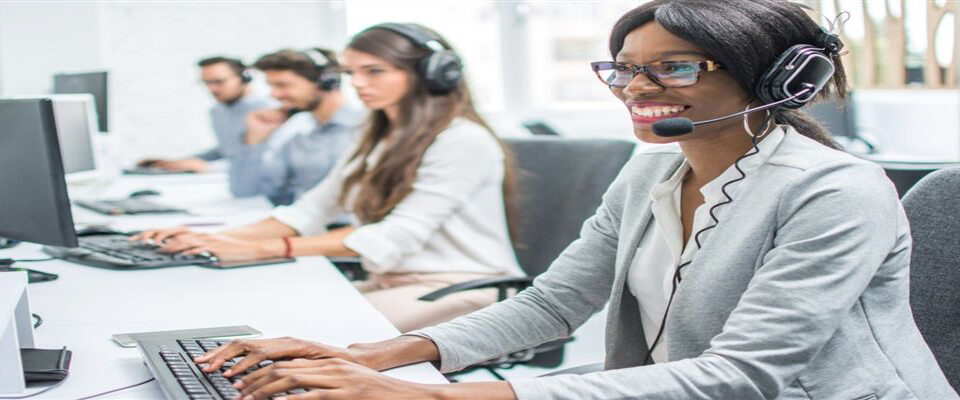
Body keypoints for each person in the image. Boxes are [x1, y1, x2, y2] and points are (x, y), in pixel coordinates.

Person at [189, 2, 959, 400]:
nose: (638, 88)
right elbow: (553, 305)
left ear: (775, 79)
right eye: (624, 68)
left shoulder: (835, 193)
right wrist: (368, 356)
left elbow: (744, 375)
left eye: (676, 67)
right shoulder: (650, 172)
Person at [133, 24, 523, 334]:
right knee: (259, 318)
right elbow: (310, 209)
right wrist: (215, 239)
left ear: (434, 74)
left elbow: (391, 236)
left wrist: (261, 249)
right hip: (393, 280)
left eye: (375, 72)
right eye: (352, 73)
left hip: (461, 287)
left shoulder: (462, 141)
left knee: (300, 337)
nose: (359, 84)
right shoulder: (379, 135)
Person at [230, 48, 365, 205]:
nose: (274, 95)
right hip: (311, 225)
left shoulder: (368, 128)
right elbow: (246, 191)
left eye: (283, 85)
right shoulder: (297, 138)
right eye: (272, 86)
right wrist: (254, 140)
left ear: (326, 82)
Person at [138, 56, 277, 173]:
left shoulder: (270, 110)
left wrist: (208, 167)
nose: (212, 89)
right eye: (206, 83)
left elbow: (270, 159)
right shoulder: (217, 112)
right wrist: (181, 162)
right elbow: (228, 150)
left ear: (244, 78)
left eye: (218, 82)